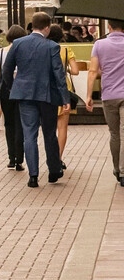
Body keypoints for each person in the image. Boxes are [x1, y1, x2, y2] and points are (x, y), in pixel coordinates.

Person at [2, 11, 70, 188]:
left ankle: (33, 176)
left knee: (29, 135)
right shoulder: (52, 47)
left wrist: (13, 87)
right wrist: (65, 98)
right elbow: (59, 75)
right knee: (49, 133)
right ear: (47, 28)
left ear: (32, 25)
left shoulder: (18, 43)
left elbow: (6, 70)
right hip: (47, 95)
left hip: (24, 94)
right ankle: (54, 170)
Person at [85, 18, 124, 187]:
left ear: (109, 26)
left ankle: (117, 169)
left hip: (109, 95)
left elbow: (93, 70)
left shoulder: (99, 45)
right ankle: (123, 171)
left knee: (114, 134)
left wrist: (88, 95)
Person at [47, 22, 78, 171]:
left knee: (49, 127)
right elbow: (76, 71)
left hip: (47, 89)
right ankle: (58, 158)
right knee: (62, 127)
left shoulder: (44, 48)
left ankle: (50, 158)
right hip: (64, 89)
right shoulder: (66, 50)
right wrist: (64, 70)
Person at [0, 25, 27, 171]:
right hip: (22, 90)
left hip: (6, 90)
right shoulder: (25, 53)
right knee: (20, 123)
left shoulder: (0, 53)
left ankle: (11, 158)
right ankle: (20, 158)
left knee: (9, 124)